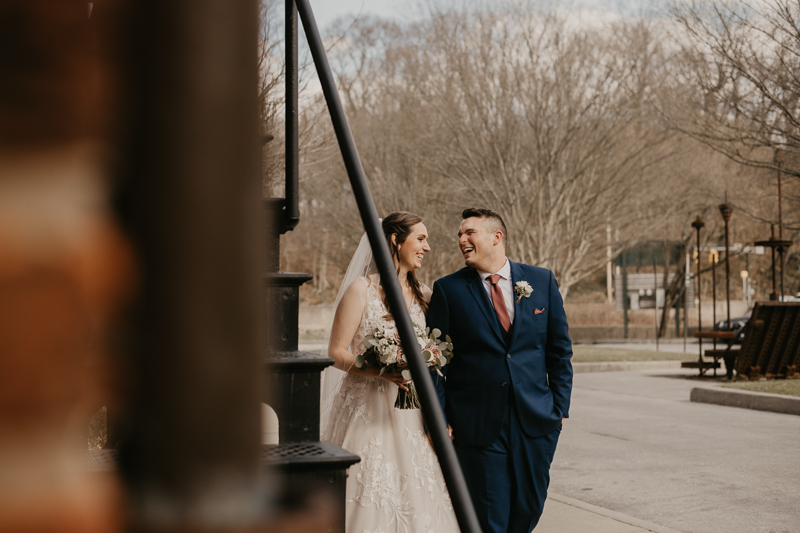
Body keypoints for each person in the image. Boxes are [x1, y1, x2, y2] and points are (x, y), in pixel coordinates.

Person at [427, 207, 573, 533]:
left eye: (469, 233)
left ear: (497, 237)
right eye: (460, 235)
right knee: (491, 518)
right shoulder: (448, 290)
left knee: (529, 508)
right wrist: (441, 417)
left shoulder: (541, 280)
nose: (462, 240)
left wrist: (559, 409)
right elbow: (435, 361)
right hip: (477, 424)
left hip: (536, 420)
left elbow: (560, 352)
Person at [320, 211, 460, 533]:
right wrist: (379, 370)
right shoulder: (361, 290)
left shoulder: (425, 295)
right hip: (367, 407)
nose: (427, 247)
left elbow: (435, 352)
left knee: (417, 489)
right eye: (420, 239)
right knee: (369, 486)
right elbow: (337, 352)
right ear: (396, 241)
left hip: (411, 410)